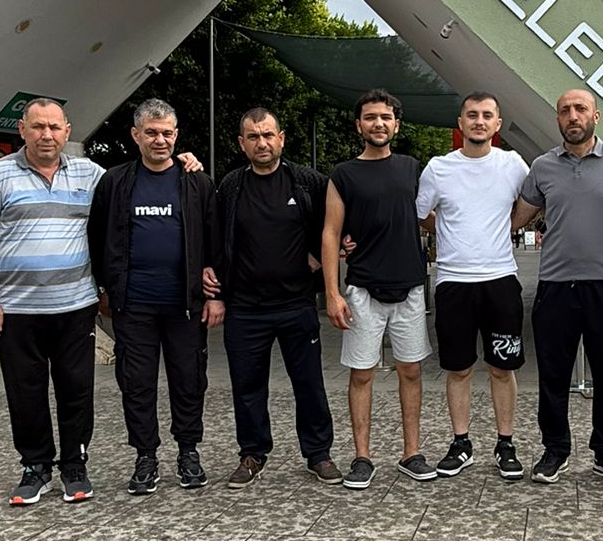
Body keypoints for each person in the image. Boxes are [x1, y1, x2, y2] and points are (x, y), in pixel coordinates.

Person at [0, 97, 104, 506]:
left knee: (76, 390)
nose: (47, 135)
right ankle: (35, 467)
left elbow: (133, 191)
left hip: (75, 306)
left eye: (54, 127)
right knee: (25, 393)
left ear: (67, 131)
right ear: (22, 130)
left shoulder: (90, 174)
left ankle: (74, 466)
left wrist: (185, 165)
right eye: (38, 126)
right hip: (17, 310)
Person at [511, 88, 603, 486]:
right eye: (565, 110)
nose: (573, 116)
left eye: (580, 109)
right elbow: (515, 219)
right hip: (556, 285)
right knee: (553, 375)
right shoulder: (542, 167)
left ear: (596, 116)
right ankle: (555, 450)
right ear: (558, 118)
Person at [88, 98, 222, 496]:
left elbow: (214, 241)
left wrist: (216, 295)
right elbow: (97, 237)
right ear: (136, 135)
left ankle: (188, 452)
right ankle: (145, 456)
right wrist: (104, 287)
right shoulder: (115, 182)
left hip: (185, 305)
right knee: (136, 383)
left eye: (166, 133)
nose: (159, 140)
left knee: (189, 381)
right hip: (133, 306)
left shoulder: (197, 182)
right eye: (151, 133)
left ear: (176, 135)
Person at [213, 105, 341, 487]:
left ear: (281, 138)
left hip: (296, 304)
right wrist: (215, 290)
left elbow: (337, 222)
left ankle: (318, 454)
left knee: (309, 383)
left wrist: (322, 255)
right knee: (247, 387)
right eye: (253, 137)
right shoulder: (230, 187)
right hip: (245, 307)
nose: (262, 143)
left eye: (268, 135)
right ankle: (252, 454)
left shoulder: (308, 182)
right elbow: (216, 238)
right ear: (242, 143)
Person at [322, 90, 438, 488]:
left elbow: (430, 217)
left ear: (396, 125)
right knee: (361, 374)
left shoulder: (412, 168)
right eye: (370, 117)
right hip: (362, 289)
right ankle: (362, 458)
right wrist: (333, 292)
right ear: (359, 125)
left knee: (411, 371)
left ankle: (412, 453)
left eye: (386, 117)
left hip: (410, 286)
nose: (378, 123)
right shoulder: (343, 174)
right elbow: (331, 233)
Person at [416, 91, 530, 480]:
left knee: (502, 367)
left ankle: (506, 444)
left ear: (497, 124)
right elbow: (421, 214)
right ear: (460, 123)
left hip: (501, 280)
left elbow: (531, 203)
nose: (479, 121)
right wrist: (449, 234)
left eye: (486, 115)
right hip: (454, 283)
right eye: (472, 115)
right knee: (459, 369)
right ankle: (461, 443)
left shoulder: (513, 164)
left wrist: (508, 227)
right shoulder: (438, 168)